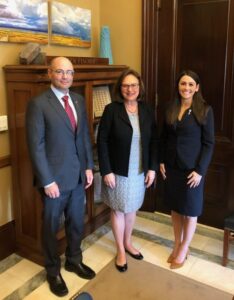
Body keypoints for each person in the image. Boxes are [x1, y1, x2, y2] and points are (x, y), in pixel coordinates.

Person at [26, 57, 96, 297]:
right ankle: (53, 270)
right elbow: (36, 146)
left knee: (76, 223)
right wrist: (47, 180)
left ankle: (74, 260)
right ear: (49, 73)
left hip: (77, 177)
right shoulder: (38, 104)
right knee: (50, 228)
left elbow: (84, 137)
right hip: (53, 182)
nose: (65, 76)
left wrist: (88, 167)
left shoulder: (77, 99)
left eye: (69, 72)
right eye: (60, 72)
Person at [97, 68, 158, 272]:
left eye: (133, 85)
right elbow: (102, 141)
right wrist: (106, 170)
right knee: (118, 209)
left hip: (139, 171)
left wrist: (152, 169)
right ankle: (120, 250)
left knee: (132, 208)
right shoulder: (111, 110)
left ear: (139, 88)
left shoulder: (147, 110)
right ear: (120, 88)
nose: (130, 89)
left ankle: (128, 242)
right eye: (125, 85)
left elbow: (154, 141)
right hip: (118, 171)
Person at [159, 70, 215, 269]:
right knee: (175, 209)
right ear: (178, 86)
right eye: (183, 84)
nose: (186, 88)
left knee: (190, 212)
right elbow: (164, 137)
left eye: (191, 84)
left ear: (197, 87)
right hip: (172, 167)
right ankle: (177, 244)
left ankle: (184, 248)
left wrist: (200, 171)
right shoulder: (170, 108)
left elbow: (209, 143)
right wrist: (162, 161)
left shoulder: (204, 110)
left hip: (192, 171)